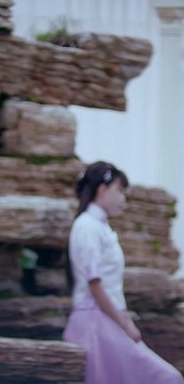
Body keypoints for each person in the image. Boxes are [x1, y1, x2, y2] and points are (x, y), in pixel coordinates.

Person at [63, 161, 183, 384]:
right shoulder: (88, 225)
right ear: (102, 189)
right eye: (120, 191)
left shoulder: (99, 226)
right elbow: (94, 283)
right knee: (167, 378)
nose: (123, 199)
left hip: (105, 318)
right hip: (96, 321)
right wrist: (125, 323)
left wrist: (124, 318)